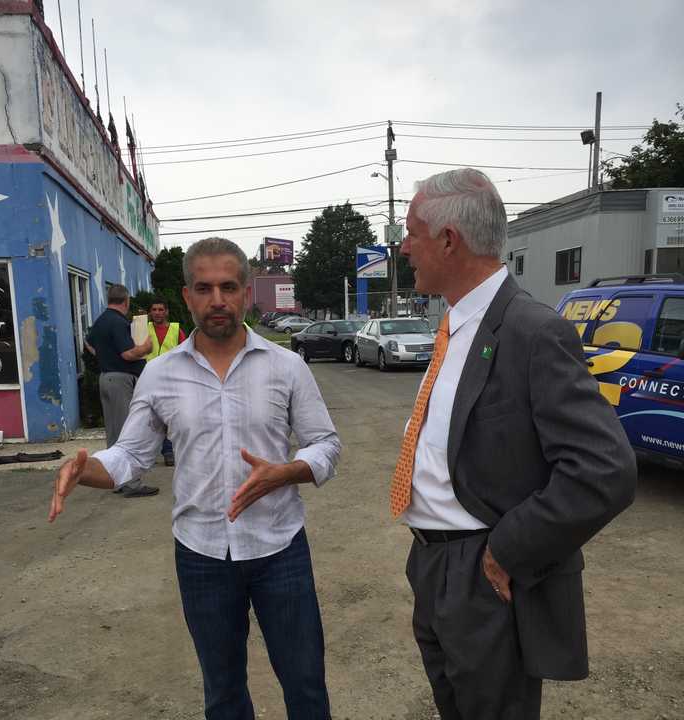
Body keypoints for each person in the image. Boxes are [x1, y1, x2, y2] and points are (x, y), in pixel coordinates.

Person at [50, 237, 340, 720]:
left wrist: (289, 471)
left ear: (247, 292)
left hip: (280, 550)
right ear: (187, 296)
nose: (217, 300)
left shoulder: (286, 366)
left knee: (306, 686)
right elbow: (131, 457)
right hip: (202, 555)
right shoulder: (160, 374)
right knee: (223, 693)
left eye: (228, 287)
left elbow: (326, 444)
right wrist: (84, 471)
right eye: (204, 288)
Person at [390, 168, 637, 720]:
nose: (404, 246)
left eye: (412, 233)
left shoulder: (532, 330)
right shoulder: (456, 324)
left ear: (449, 240)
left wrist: (508, 550)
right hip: (431, 563)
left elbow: (605, 469)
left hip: (482, 570)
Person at [85, 284, 159, 498]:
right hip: (120, 380)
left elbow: (89, 344)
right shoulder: (118, 322)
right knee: (128, 433)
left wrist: (104, 355)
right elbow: (128, 354)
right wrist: (146, 348)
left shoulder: (100, 321)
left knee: (115, 431)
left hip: (106, 377)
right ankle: (131, 484)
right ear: (125, 301)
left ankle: (115, 479)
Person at [146, 297, 186, 466]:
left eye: (160, 309)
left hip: (171, 379)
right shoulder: (142, 329)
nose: (157, 313)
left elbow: (186, 354)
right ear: (150, 312)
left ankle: (169, 451)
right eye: (154, 310)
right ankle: (149, 452)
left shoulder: (176, 330)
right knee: (148, 418)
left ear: (167, 311)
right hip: (147, 378)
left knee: (169, 416)